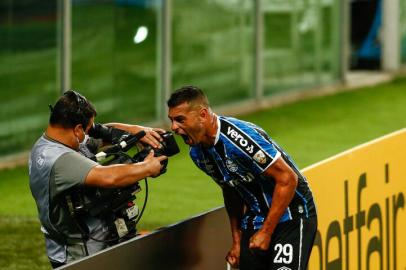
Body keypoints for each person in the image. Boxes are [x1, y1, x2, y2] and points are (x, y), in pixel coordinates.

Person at [167, 86, 317, 270]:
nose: (174, 127)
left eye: (180, 120)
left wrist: (266, 232)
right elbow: (231, 191)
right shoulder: (198, 154)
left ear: (203, 115)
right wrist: (237, 242)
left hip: (292, 214)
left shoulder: (238, 139)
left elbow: (288, 179)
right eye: (172, 120)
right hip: (256, 219)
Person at [29, 90, 167, 268]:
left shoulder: (51, 144)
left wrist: (134, 130)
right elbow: (108, 177)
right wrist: (147, 167)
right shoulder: (58, 159)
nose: (89, 134)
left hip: (91, 247)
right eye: (87, 129)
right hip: (78, 258)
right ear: (77, 129)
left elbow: (103, 135)